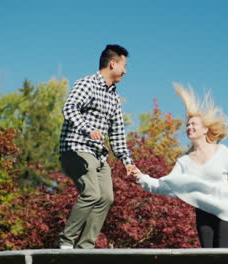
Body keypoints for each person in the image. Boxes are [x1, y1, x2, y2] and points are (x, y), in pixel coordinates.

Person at [134, 83, 228, 248]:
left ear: (205, 130)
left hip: (227, 209)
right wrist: (141, 178)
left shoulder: (222, 151)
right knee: (208, 256)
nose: (189, 127)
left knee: (223, 256)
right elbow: (165, 185)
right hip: (203, 210)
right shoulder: (184, 161)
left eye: (194, 124)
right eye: (187, 125)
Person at [58, 44, 137, 249]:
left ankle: (85, 247)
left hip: (98, 156)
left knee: (106, 198)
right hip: (76, 149)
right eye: (124, 66)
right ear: (113, 64)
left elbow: (118, 133)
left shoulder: (114, 98)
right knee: (92, 193)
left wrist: (127, 162)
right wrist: (87, 129)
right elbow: (69, 107)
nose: (125, 71)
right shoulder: (87, 84)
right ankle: (67, 242)